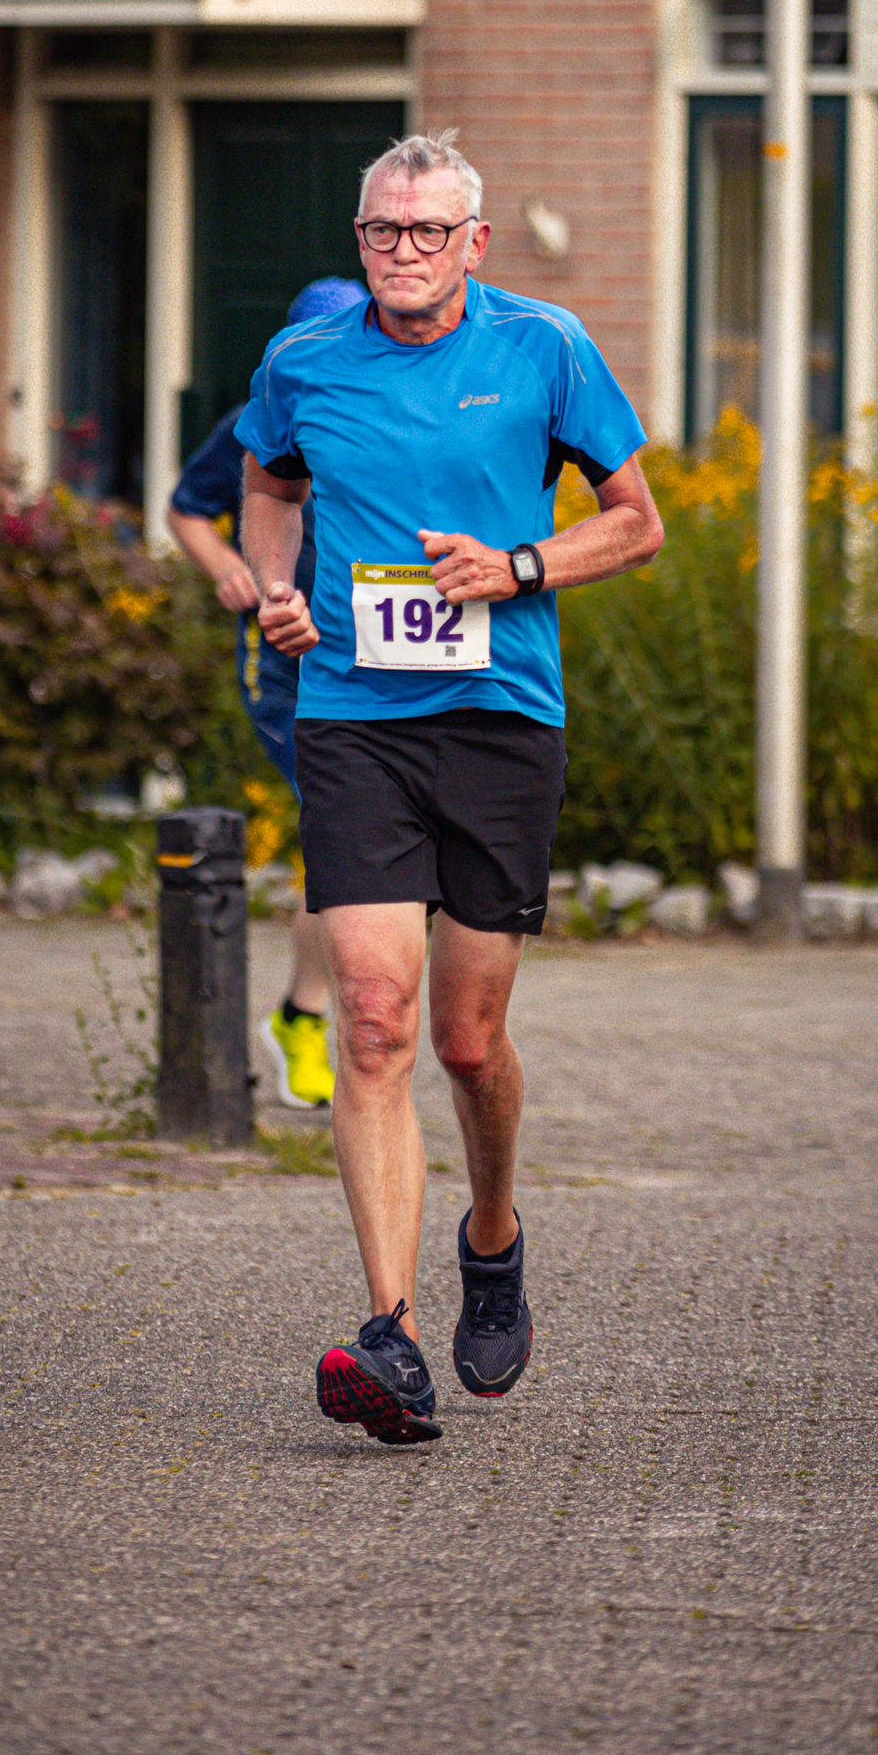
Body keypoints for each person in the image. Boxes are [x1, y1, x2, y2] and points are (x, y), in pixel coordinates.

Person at [236, 129, 663, 1443]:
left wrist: (520, 569)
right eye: (382, 232)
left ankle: (493, 1242)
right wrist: (275, 591)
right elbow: (265, 475)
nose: (404, 254)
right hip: (355, 717)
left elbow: (636, 521)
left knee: (466, 1043)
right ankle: (391, 1334)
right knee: (371, 1017)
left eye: (429, 233)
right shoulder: (304, 361)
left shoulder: (544, 350)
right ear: (358, 242)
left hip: (498, 722)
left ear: (474, 242)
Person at [166, 275, 366, 1113]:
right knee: (345, 828)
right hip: (284, 664)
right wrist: (233, 570)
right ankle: (314, 1021)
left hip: (373, 655)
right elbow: (186, 509)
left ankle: (317, 1014)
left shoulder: (380, 413)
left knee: (366, 843)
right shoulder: (259, 420)